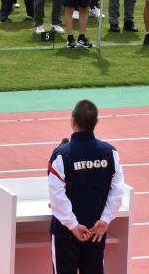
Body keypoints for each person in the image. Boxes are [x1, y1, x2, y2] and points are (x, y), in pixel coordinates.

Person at [48, 99, 125, 274]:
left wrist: (73, 225)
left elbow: (57, 196)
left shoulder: (61, 155)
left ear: (72, 121)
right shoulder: (110, 153)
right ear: (96, 123)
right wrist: (105, 220)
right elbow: (117, 192)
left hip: (66, 234)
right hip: (95, 231)